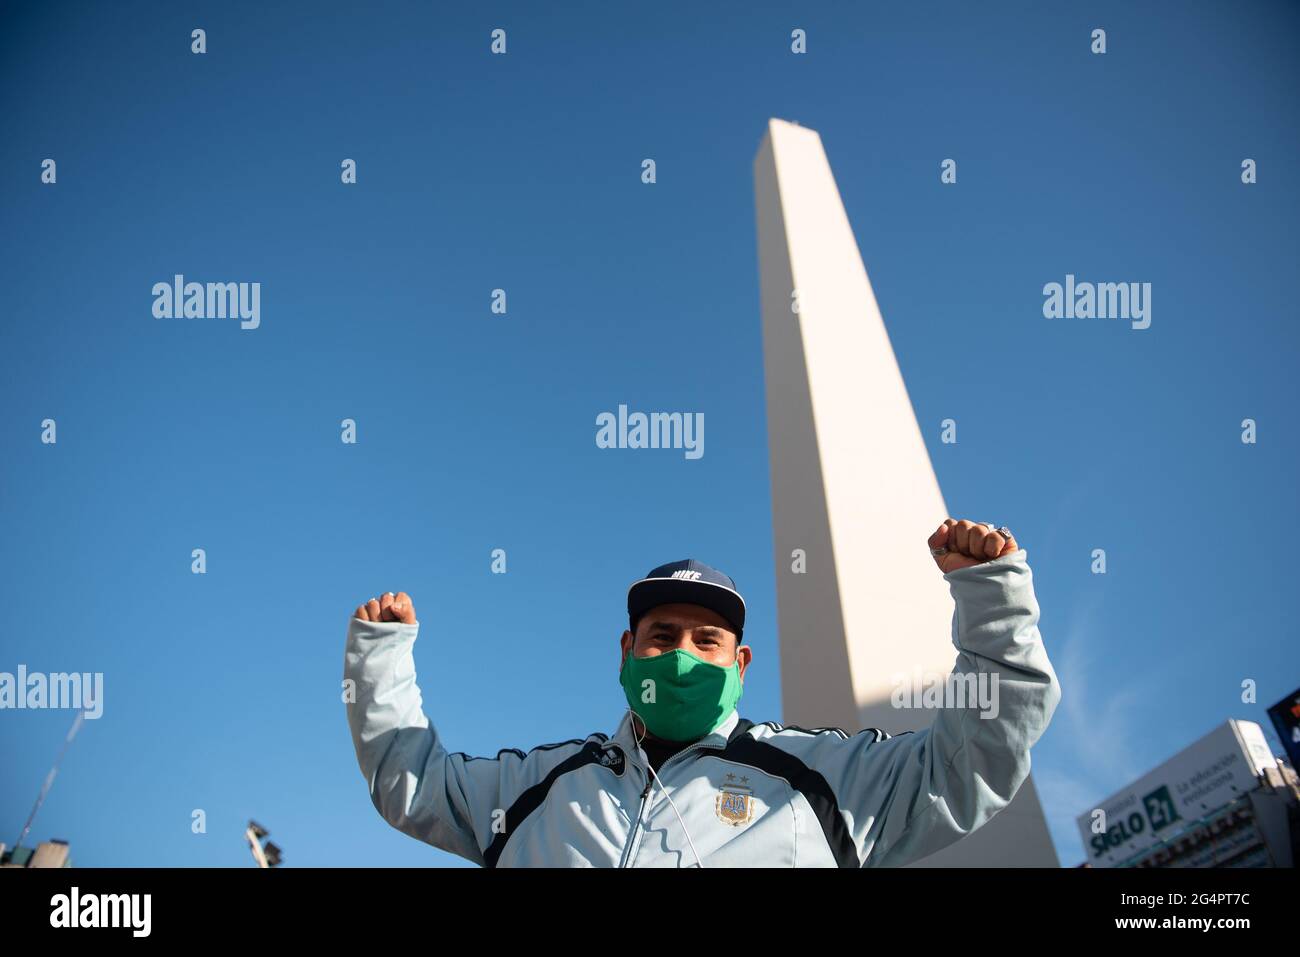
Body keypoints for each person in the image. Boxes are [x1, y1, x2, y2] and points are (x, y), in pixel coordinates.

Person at [344, 518, 1060, 867]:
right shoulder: (538, 783)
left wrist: (992, 607)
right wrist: (379, 663)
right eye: (662, 635)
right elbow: (415, 785)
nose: (681, 655)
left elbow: (969, 766)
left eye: (706, 640)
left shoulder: (827, 778)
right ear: (626, 651)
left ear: (740, 662)